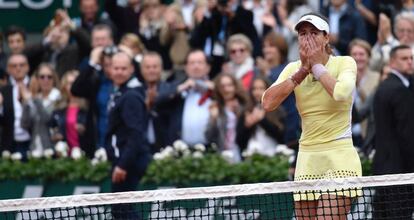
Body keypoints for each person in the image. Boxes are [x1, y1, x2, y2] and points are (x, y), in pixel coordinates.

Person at [262, 12, 362, 219]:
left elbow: (341, 92)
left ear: (326, 37)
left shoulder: (345, 62)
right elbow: (268, 102)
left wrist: (316, 67)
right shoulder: (292, 69)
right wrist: (301, 72)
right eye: (303, 33)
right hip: (307, 159)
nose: (307, 38)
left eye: (314, 33)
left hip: (340, 158)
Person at [104, 52, 152, 219]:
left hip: (128, 161)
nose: (119, 72)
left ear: (131, 69)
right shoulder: (120, 92)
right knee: (120, 210)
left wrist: (123, 164)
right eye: (116, 68)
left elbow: (135, 133)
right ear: (110, 69)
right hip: (124, 158)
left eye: (123, 68)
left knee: (122, 210)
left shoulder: (130, 96)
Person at [372, 44, 414, 219]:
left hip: (383, 169)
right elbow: (407, 135)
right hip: (400, 172)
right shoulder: (398, 90)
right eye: (404, 59)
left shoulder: (384, 86)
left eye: (411, 58)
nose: (410, 62)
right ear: (392, 62)